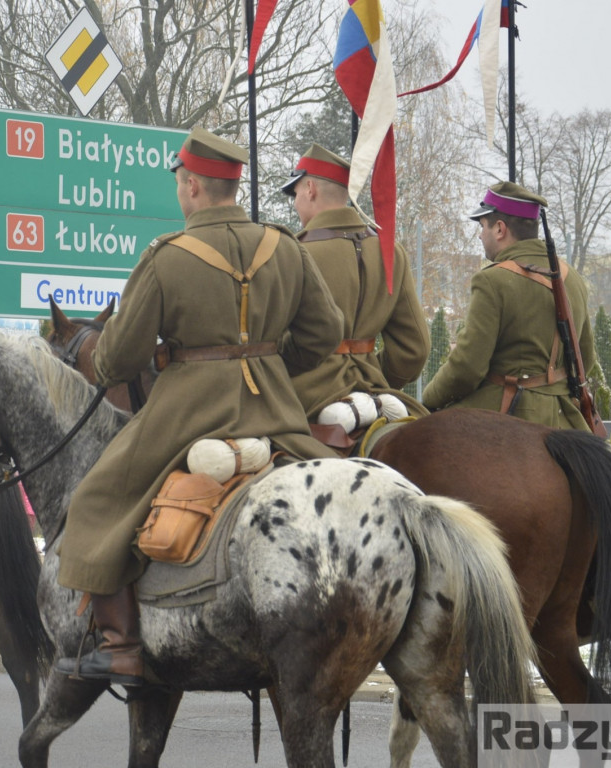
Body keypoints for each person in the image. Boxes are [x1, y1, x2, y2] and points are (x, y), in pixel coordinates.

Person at [55, 127, 344, 686]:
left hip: (188, 417)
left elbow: (117, 360)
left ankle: (120, 646)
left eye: (180, 184)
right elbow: (324, 334)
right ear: (232, 186)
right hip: (276, 414)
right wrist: (272, 366)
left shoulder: (168, 258)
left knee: (96, 498)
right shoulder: (284, 246)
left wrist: (155, 359)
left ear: (191, 185)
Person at [422, 182, 598, 430]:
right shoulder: (572, 277)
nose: (480, 235)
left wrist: (427, 400)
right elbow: (586, 358)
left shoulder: (491, 280)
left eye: (482, 226)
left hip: (508, 419)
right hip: (567, 422)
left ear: (500, 229)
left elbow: (467, 368)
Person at [281, 144, 430, 424]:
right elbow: (415, 349)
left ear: (310, 188)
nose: (296, 202)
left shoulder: (292, 252)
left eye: (296, 192)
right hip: (375, 391)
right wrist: (372, 373)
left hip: (305, 400)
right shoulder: (389, 252)